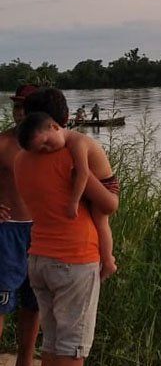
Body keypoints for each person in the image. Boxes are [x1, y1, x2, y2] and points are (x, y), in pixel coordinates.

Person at [14, 108, 119, 366]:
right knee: (73, 346)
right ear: (56, 123)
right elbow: (108, 203)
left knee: (54, 340)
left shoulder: (21, 161)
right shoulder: (68, 160)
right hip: (73, 260)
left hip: (40, 257)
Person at [17, 112, 118, 281]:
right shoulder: (62, 147)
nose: (47, 150)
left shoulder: (78, 142)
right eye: (41, 150)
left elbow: (83, 173)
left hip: (105, 184)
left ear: (55, 127)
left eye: (47, 144)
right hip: (92, 186)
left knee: (101, 221)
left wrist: (74, 201)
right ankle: (107, 260)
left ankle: (108, 261)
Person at [0, 84, 43, 366]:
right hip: (7, 232)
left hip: (40, 231)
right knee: (1, 299)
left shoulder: (49, 146)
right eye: (16, 106)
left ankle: (24, 365)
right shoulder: (3, 144)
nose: (19, 112)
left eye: (25, 107)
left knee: (34, 301)